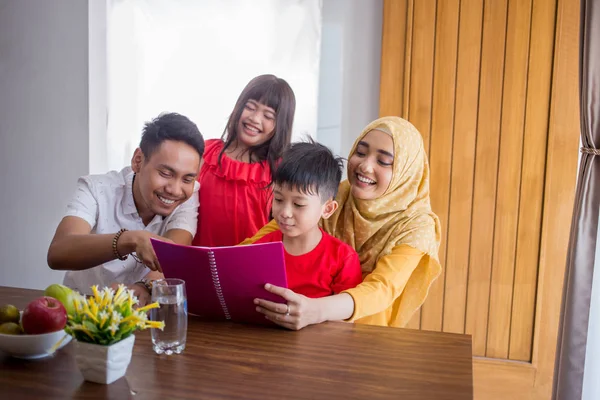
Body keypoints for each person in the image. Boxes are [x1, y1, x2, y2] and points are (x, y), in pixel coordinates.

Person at [247, 116, 442, 330]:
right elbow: (272, 232)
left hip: (367, 331)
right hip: (302, 325)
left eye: (383, 161)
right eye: (360, 152)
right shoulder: (340, 193)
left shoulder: (417, 225)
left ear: (406, 171)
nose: (365, 166)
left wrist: (314, 310)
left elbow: (382, 288)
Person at [47, 112, 205, 305]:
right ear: (138, 160)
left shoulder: (187, 196)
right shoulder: (96, 189)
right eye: (165, 173)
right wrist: (130, 239)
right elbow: (58, 252)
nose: (175, 189)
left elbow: (173, 253)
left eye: (187, 179)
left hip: (144, 317)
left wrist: (146, 285)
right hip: (83, 310)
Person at [193, 74, 296, 247]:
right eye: (250, 107)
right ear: (238, 107)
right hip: (193, 267)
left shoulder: (279, 172)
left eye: (268, 116)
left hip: (250, 270)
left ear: (280, 125)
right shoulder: (204, 153)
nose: (255, 119)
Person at [254, 140, 362, 298]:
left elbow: (345, 320)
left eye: (298, 204)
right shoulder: (259, 249)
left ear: (327, 209)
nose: (285, 212)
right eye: (278, 199)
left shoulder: (343, 259)